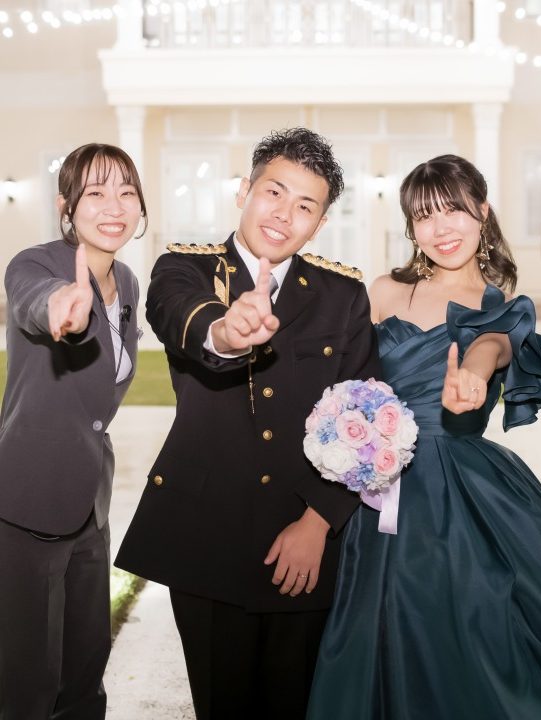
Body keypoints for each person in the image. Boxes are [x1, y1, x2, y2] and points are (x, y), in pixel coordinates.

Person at [307, 155, 541, 719]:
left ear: (482, 211)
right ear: (411, 228)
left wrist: (474, 378)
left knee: (475, 632)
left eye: (453, 209)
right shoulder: (383, 291)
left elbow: (490, 346)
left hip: (463, 492)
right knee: (377, 628)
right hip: (377, 488)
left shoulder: (502, 306)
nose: (441, 227)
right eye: (425, 215)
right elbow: (344, 378)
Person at [115, 127, 380, 719]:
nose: (284, 215)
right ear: (244, 191)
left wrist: (318, 523)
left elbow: (365, 415)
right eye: (274, 192)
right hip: (208, 541)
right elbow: (185, 319)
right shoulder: (183, 269)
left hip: (305, 547)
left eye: (305, 206)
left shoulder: (342, 294)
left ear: (320, 223)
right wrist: (228, 333)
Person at [0, 143, 145, 720]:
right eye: (95, 192)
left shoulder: (127, 281)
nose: (114, 206)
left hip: (90, 503)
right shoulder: (34, 265)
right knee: (27, 682)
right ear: (66, 205)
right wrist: (62, 305)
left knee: (85, 673)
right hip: (29, 499)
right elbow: (34, 301)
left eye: (127, 192)